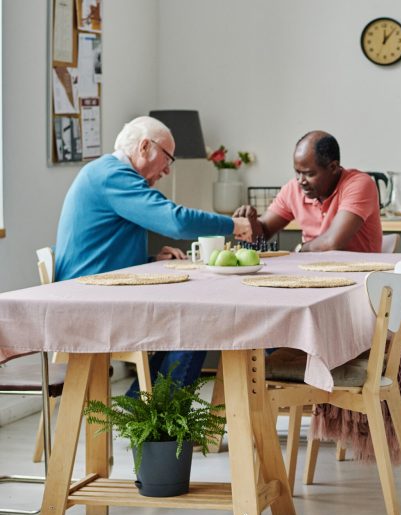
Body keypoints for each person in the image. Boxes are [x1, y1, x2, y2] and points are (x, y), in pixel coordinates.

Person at [54, 116, 254, 396]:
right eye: (168, 158)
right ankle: (157, 424)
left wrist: (150, 260)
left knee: (191, 318)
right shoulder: (112, 175)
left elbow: (101, 249)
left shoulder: (105, 172)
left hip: (91, 292)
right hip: (88, 304)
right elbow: (176, 222)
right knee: (200, 321)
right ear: (145, 146)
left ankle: (143, 412)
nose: (168, 171)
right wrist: (232, 225)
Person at [232, 131, 382, 253]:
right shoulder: (293, 189)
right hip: (310, 275)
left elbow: (331, 243)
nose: (301, 181)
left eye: (309, 174)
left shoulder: (359, 184)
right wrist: (250, 224)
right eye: (297, 172)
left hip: (359, 276)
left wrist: (300, 249)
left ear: (333, 167)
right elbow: (262, 234)